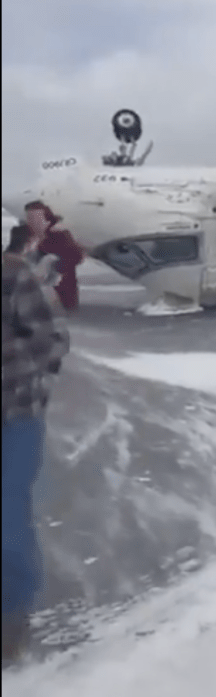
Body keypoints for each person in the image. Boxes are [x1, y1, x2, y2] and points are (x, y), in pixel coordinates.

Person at [2, 244, 71, 667]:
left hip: (15, 415)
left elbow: (53, 341)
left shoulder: (15, 277)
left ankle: (12, 617)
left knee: (7, 515)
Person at [24, 200, 86, 313]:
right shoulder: (28, 238)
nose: (33, 222)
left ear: (46, 219)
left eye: (37, 218)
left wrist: (52, 268)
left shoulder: (60, 235)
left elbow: (76, 256)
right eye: (30, 218)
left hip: (60, 296)